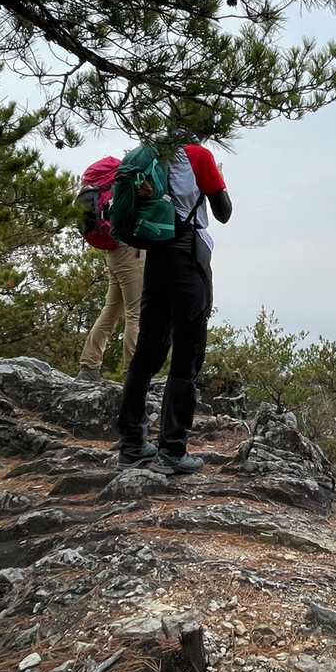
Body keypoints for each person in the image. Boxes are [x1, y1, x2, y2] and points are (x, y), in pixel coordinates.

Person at [116, 132, 232, 475]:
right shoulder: (198, 156)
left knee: (147, 352)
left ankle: (132, 445)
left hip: (156, 258)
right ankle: (172, 450)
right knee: (188, 354)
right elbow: (224, 212)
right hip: (188, 260)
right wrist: (217, 178)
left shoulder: (151, 155)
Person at [75, 239, 145, 382]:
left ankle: (89, 366)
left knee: (110, 312)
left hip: (115, 252)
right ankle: (134, 374)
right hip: (131, 253)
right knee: (135, 314)